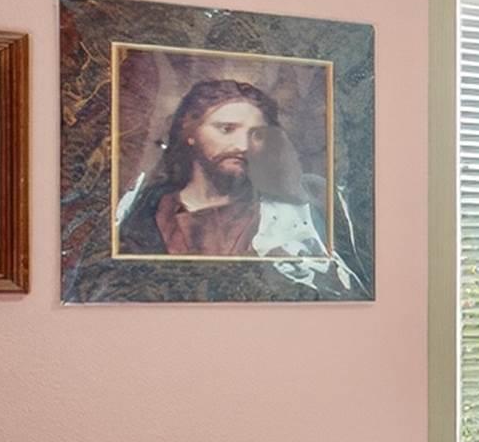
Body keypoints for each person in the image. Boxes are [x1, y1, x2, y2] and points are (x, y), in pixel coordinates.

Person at [114, 76, 360, 291]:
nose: (243, 146)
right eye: (226, 129)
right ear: (189, 132)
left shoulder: (289, 216)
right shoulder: (143, 213)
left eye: (257, 135)